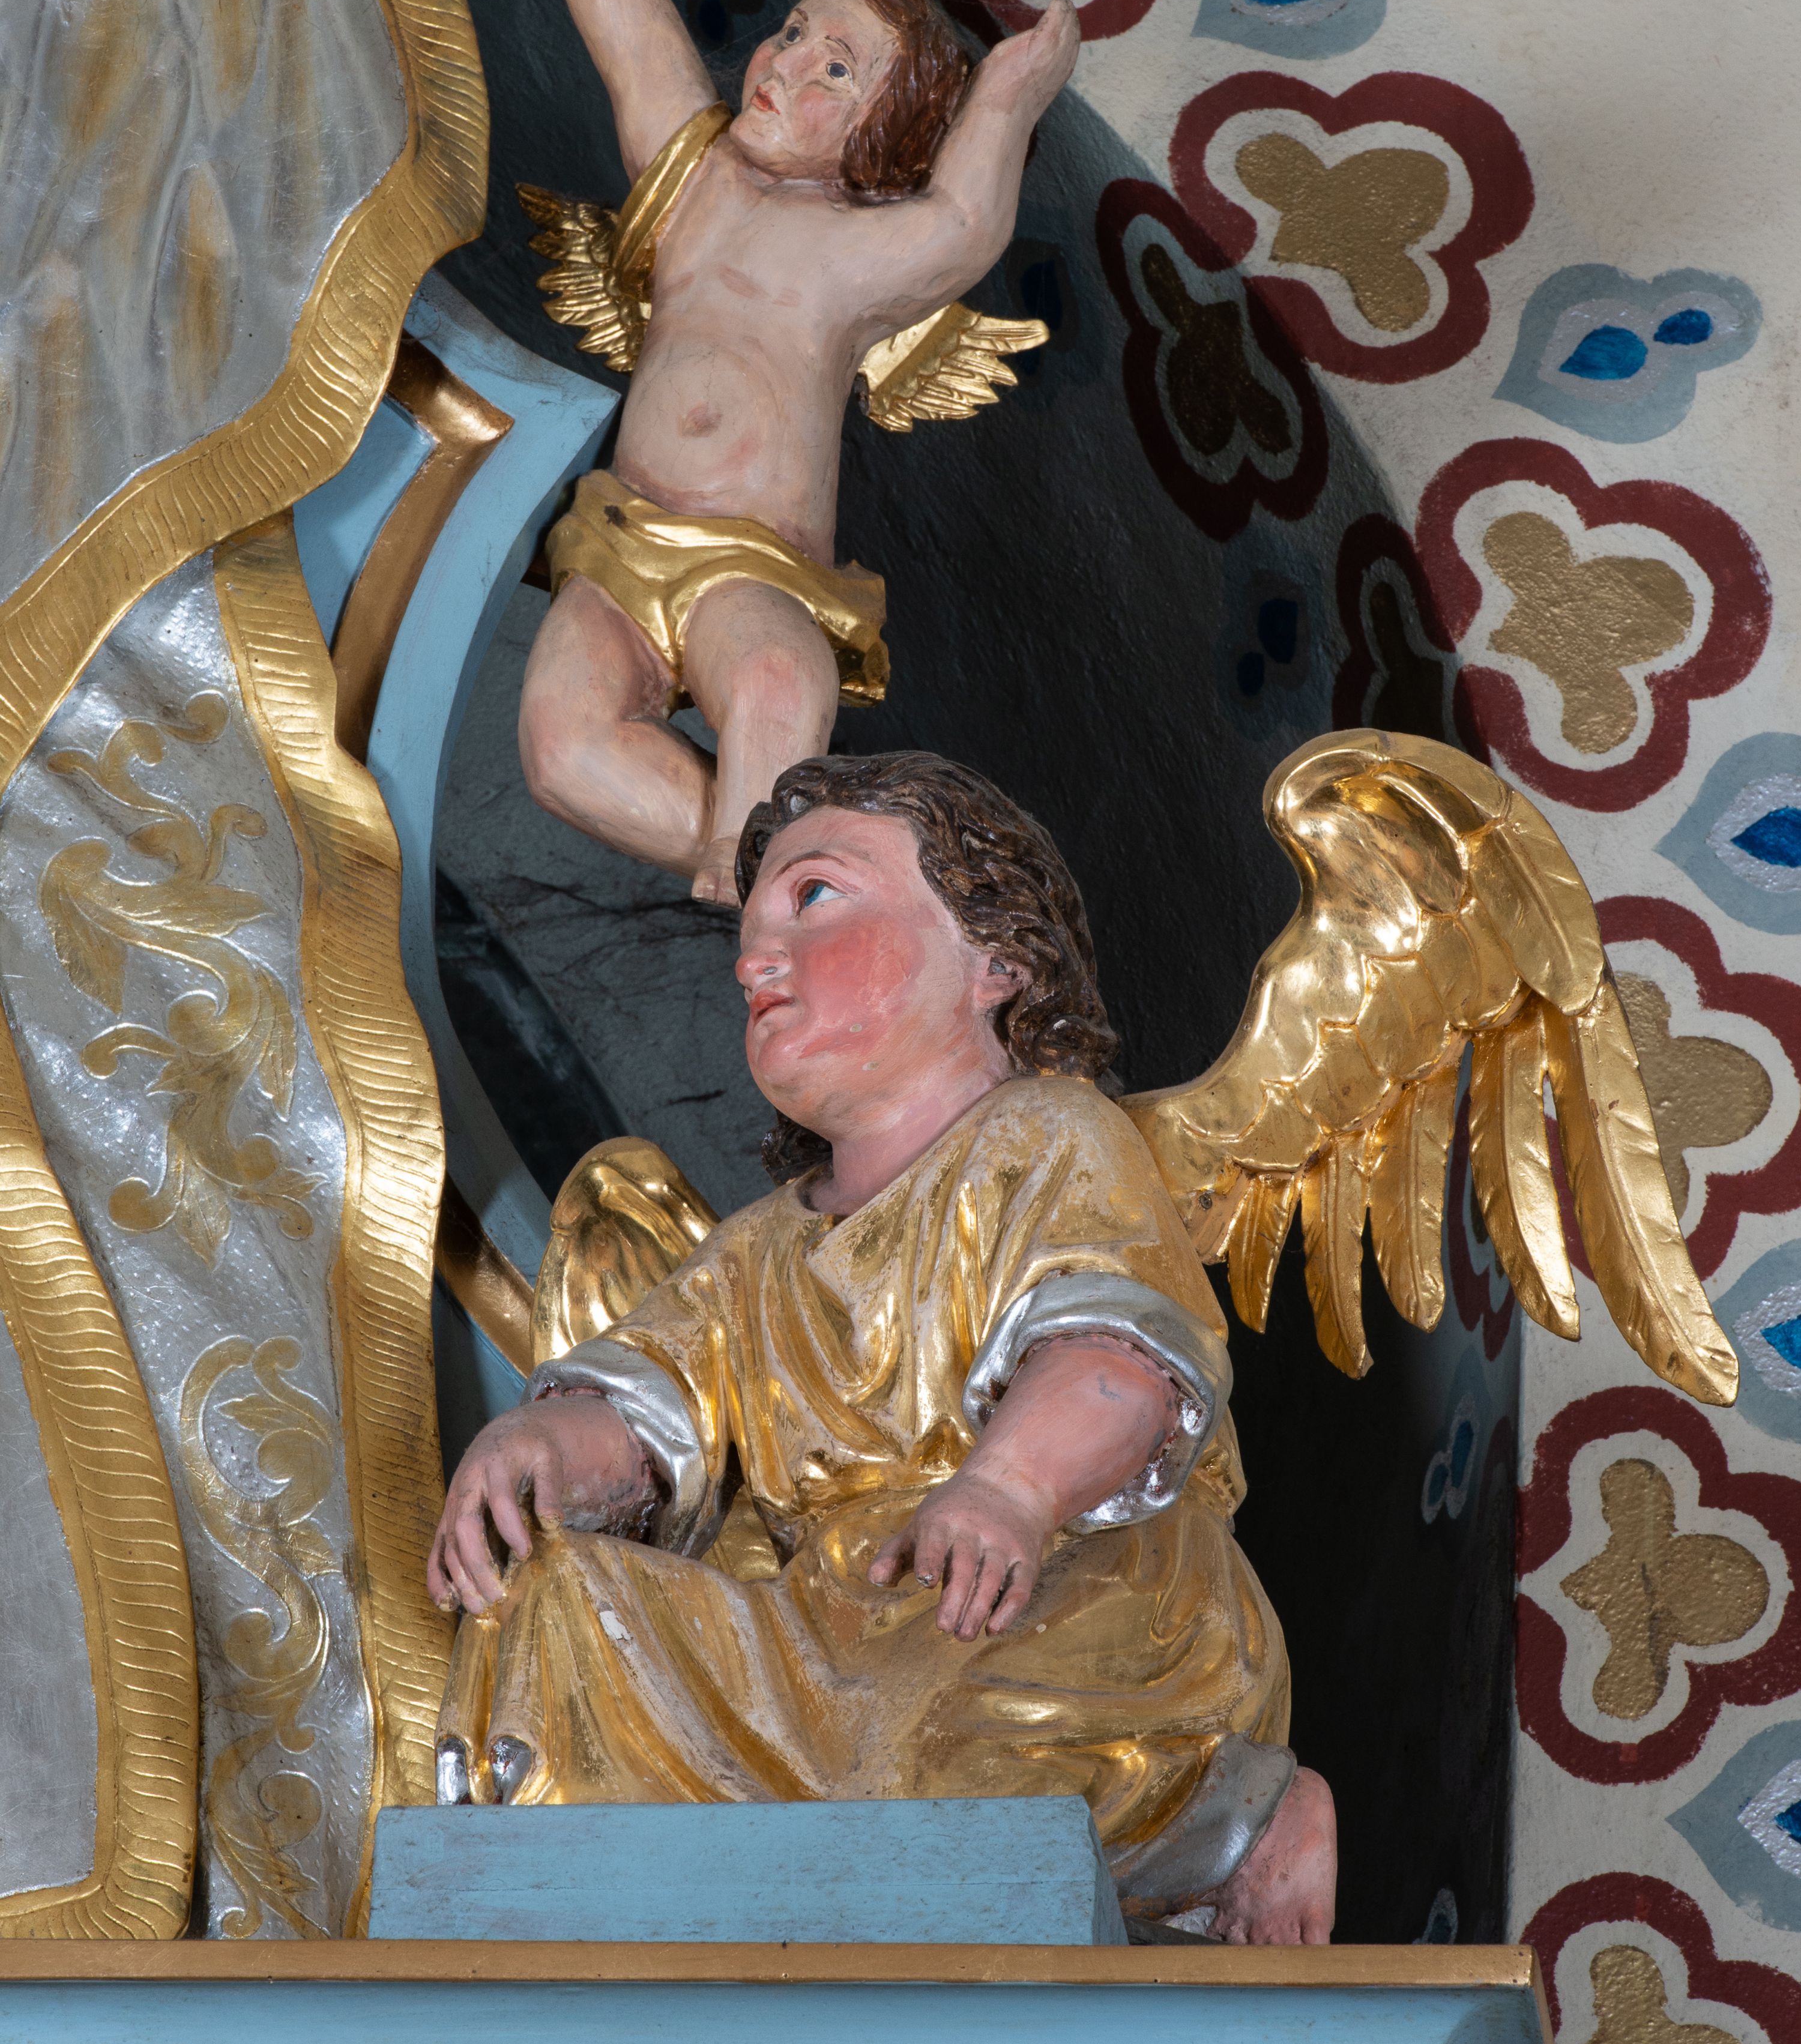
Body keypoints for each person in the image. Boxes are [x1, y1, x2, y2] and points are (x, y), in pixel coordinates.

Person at [429, 750, 1336, 1943]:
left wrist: (1009, 1488)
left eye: (815, 897)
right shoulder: (757, 1251)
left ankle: (1224, 1821)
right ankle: (600, 1917)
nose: (755, 961)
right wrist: (537, 1447)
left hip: (1047, 1594)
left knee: (948, 1755)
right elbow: (647, 1413)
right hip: (829, 1632)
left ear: (996, 959)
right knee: (554, 1600)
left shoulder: (1049, 1139)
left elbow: (1119, 1362)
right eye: (749, 935)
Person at [499, 0, 1079, 902]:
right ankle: (766, 872)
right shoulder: (699, 186)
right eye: (795, 31)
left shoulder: (855, 254)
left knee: (775, 678)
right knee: (561, 749)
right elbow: (641, 54)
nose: (786, 64)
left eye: (836, 71)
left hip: (751, 563)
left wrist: (1007, 98)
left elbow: (962, 223)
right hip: (622, 542)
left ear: (879, 136)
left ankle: (760, 866)